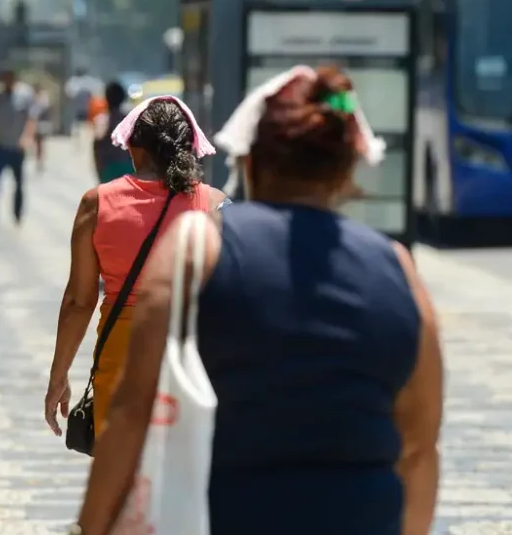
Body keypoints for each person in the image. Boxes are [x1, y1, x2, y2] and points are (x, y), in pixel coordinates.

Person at [72, 66, 443, 535]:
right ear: (348, 169)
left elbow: (130, 412)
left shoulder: (196, 251)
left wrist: (92, 528)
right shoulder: (398, 268)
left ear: (249, 162)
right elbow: (419, 447)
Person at [44, 95, 224, 439]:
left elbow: (79, 302)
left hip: (122, 356)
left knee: (122, 470)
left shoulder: (96, 203)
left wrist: (59, 376)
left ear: (135, 148)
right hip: (191, 355)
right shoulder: (215, 205)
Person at [0, 68, 38, 226]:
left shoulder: (25, 95)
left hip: (17, 147)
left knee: (19, 183)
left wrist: (27, 137)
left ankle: (17, 213)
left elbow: (31, 119)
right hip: (0, 145)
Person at [94, 81, 136, 183]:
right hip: (129, 169)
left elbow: (97, 146)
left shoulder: (102, 121)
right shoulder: (130, 119)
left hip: (108, 170)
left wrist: (100, 172)